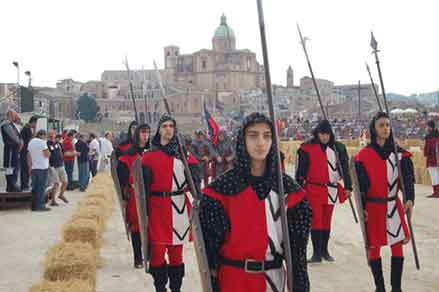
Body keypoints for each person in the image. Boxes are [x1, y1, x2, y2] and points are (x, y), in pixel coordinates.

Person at [199, 112, 312, 292]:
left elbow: (297, 254)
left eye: (267, 136)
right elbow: (210, 253)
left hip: (273, 281)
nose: (261, 142)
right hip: (234, 281)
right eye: (253, 135)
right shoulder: (220, 190)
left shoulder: (289, 189)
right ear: (242, 139)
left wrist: (300, 286)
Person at [354, 112, 415, 292]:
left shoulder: (400, 155)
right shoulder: (364, 155)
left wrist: (410, 198)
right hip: (373, 207)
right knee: (374, 248)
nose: (385, 128)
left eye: (388, 125)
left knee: (397, 246)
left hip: (393, 205)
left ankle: (396, 288)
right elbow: (361, 187)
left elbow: (408, 179)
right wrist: (363, 207)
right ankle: (379, 287)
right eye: (381, 125)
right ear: (374, 128)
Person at [141, 115, 191, 292]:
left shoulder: (183, 155)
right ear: (159, 130)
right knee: (157, 253)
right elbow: (142, 189)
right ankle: (160, 288)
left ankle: (176, 289)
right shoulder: (148, 157)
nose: (168, 129)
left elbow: (195, 183)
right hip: (157, 208)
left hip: (178, 207)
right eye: (164, 126)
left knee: (176, 254)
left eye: (171, 126)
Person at [295, 120, 352, 263]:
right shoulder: (307, 148)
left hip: (331, 189)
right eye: (322, 134)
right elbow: (300, 172)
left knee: (327, 221)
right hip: (313, 189)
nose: (325, 137)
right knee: (316, 221)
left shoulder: (338, 148)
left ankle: (325, 251)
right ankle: (316, 253)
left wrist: (348, 186)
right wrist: (298, 189)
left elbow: (345, 169)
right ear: (317, 133)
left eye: (327, 134)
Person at [117, 124, 150, 269]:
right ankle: (138, 257)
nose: (145, 136)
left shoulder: (152, 152)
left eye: (148, 132)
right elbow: (122, 177)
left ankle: (149, 255)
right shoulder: (128, 155)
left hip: (152, 195)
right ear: (137, 135)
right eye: (143, 132)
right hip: (135, 196)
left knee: (152, 226)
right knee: (137, 227)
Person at [27, 130, 51, 211]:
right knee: (41, 188)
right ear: (42, 135)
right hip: (42, 167)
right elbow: (46, 154)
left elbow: (28, 155)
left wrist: (30, 167)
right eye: (45, 136)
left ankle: (33, 206)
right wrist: (49, 153)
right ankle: (40, 206)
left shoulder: (31, 142)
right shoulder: (42, 142)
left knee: (34, 188)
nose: (46, 138)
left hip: (34, 168)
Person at [1, 110, 23, 192]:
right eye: (14, 115)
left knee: (14, 167)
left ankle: (12, 184)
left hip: (14, 149)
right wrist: (19, 141)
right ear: (10, 115)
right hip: (10, 149)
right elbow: (13, 136)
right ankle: (11, 185)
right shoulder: (6, 124)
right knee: (10, 167)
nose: (15, 117)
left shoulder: (11, 124)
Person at [47, 130, 69, 206]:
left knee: (65, 182)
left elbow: (62, 152)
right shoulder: (47, 144)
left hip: (61, 165)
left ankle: (61, 195)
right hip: (53, 166)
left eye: (53, 134)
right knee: (56, 183)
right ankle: (53, 200)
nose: (53, 135)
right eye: (51, 134)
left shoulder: (58, 143)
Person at [19, 116, 38, 190]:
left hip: (25, 151)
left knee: (26, 169)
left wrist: (34, 129)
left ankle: (25, 185)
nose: (35, 125)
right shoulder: (26, 129)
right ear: (33, 122)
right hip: (24, 152)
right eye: (35, 123)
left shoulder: (27, 128)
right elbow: (32, 140)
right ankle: (24, 186)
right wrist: (34, 129)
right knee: (25, 169)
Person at [423, 120, 439, 198]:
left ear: (429, 127)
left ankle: (436, 192)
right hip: (437, 158)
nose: (426, 128)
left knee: (434, 176)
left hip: (432, 159)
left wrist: (425, 152)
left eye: (427, 126)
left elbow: (427, 150)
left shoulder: (429, 137)